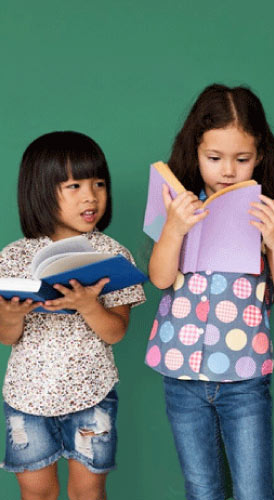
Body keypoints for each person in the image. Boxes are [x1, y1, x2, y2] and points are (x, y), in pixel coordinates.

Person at [144, 84, 274, 500]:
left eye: (242, 159)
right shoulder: (179, 206)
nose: (228, 170)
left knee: (253, 491)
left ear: (261, 156)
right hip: (181, 374)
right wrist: (174, 229)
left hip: (244, 378)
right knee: (202, 488)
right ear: (195, 152)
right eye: (214, 158)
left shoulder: (266, 214)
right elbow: (160, 278)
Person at [0, 131, 146, 500]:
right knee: (36, 493)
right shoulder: (14, 257)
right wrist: (13, 315)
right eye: (74, 185)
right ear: (40, 191)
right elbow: (6, 337)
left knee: (89, 492)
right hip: (27, 398)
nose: (90, 196)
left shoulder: (113, 255)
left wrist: (88, 305)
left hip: (91, 394)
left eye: (99, 183)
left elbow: (116, 333)